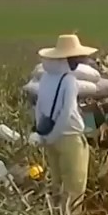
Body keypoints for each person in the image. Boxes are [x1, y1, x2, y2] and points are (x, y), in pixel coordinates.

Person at [35, 34, 94, 203]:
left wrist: (45, 134)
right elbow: (67, 112)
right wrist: (56, 134)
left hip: (49, 137)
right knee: (74, 186)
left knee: (57, 183)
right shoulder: (69, 80)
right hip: (70, 137)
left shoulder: (46, 77)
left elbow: (39, 106)